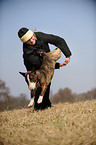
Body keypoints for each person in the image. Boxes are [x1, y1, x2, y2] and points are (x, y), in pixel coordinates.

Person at [18, 27, 72, 110]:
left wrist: (67, 55)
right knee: (39, 87)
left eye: (32, 38)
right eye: (28, 41)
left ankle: (46, 106)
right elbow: (41, 65)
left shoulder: (41, 36)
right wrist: (57, 65)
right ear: (25, 42)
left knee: (46, 85)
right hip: (35, 68)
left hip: (46, 65)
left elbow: (59, 40)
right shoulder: (28, 53)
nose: (32, 41)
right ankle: (39, 108)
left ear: (33, 34)